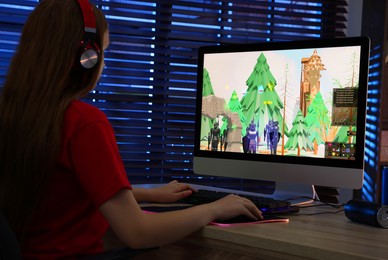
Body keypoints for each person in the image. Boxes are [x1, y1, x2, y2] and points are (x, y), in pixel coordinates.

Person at [0, 0, 262, 259]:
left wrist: (144, 194)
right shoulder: (83, 123)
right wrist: (215, 209)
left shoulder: (14, 112)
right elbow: (137, 233)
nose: (102, 65)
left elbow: (58, 192)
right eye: (101, 53)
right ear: (85, 58)